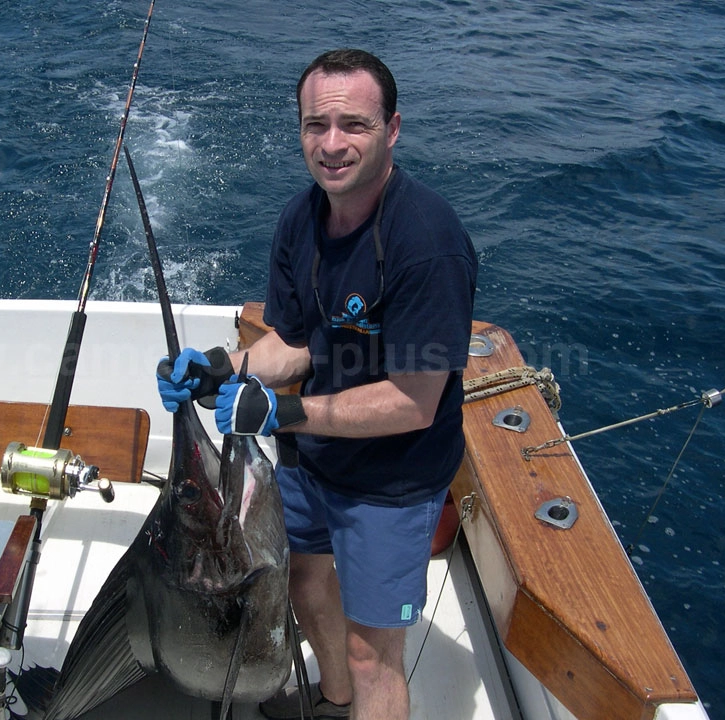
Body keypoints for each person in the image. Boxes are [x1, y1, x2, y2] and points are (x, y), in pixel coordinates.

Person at [157, 49, 477, 720]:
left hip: (393, 479)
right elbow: (298, 342)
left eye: (353, 125)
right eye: (315, 124)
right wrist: (223, 369)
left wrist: (283, 413)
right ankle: (333, 706)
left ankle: (358, 693)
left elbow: (413, 404)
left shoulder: (426, 242)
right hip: (313, 462)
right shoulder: (300, 220)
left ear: (392, 130)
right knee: (305, 586)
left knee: (373, 655)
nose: (332, 144)